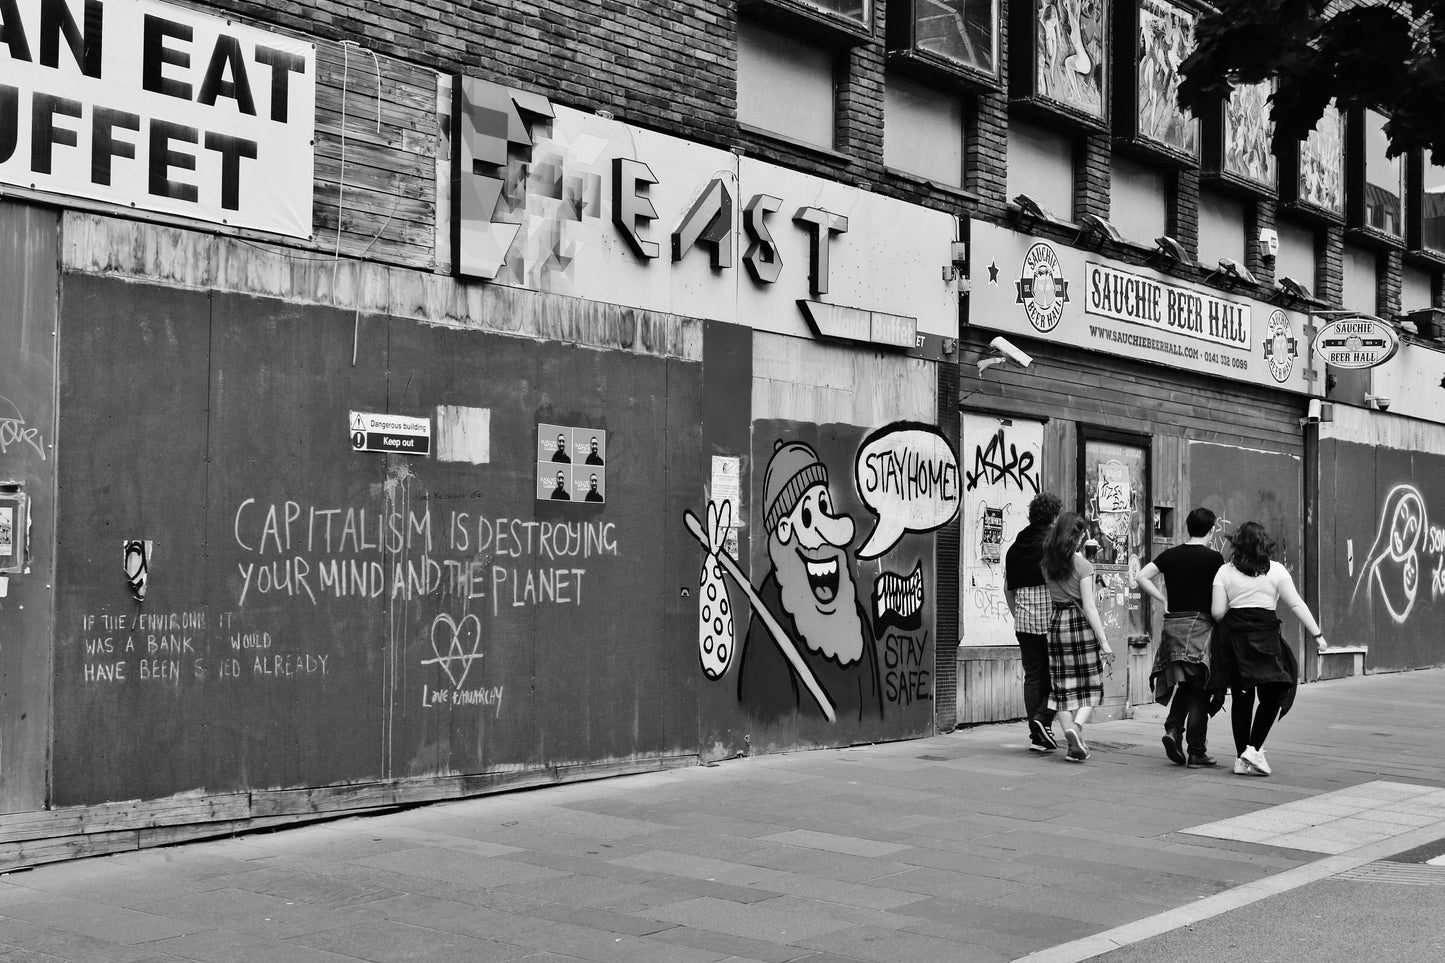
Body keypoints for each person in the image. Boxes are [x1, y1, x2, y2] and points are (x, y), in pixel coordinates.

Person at [1209, 522, 1328, 776]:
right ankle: (1253, 750)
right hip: (1266, 639)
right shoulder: (1276, 571)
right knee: (1275, 692)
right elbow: (1296, 604)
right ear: (1265, 544)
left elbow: (1218, 612)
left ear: (1236, 544)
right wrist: (1317, 634)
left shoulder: (1224, 572)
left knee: (1242, 699)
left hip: (1235, 640)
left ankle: (1244, 756)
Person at [1136, 508, 1225, 769]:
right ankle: (1196, 750)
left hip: (1173, 628)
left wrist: (1163, 599)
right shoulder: (1214, 559)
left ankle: (1174, 730)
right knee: (1199, 688)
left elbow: (1141, 576)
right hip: (1200, 628)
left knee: (1187, 685)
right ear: (1211, 529)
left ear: (1188, 527)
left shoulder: (1170, 555)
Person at [1041, 512, 1114, 762]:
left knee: (1061, 686)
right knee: (1092, 682)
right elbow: (1090, 606)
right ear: (1077, 535)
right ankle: (1076, 728)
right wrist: (1104, 641)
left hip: (1056, 623)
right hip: (1080, 624)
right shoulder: (1084, 566)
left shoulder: (1046, 565)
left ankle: (1074, 744)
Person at [1004, 492, 1063, 752]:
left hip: (1025, 621)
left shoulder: (1015, 548)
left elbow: (1008, 589)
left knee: (1033, 676)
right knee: (1057, 675)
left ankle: (1036, 733)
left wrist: (1018, 615)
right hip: (1052, 619)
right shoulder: (1053, 544)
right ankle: (1043, 718)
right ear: (1053, 516)